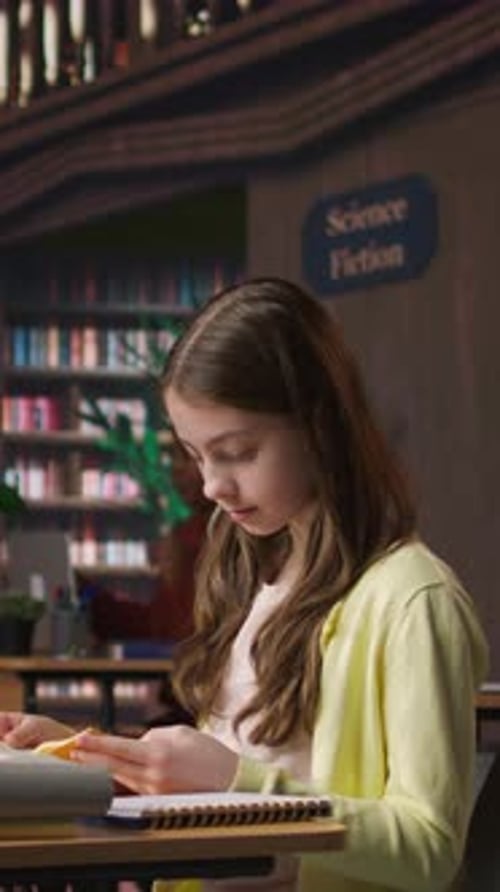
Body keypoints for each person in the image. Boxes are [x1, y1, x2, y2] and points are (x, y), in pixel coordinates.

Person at [0, 278, 488, 892]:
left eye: (236, 451)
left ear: (319, 425)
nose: (211, 486)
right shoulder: (261, 579)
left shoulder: (414, 599)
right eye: (197, 455)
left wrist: (239, 784)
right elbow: (220, 779)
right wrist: (78, 756)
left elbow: (429, 849)